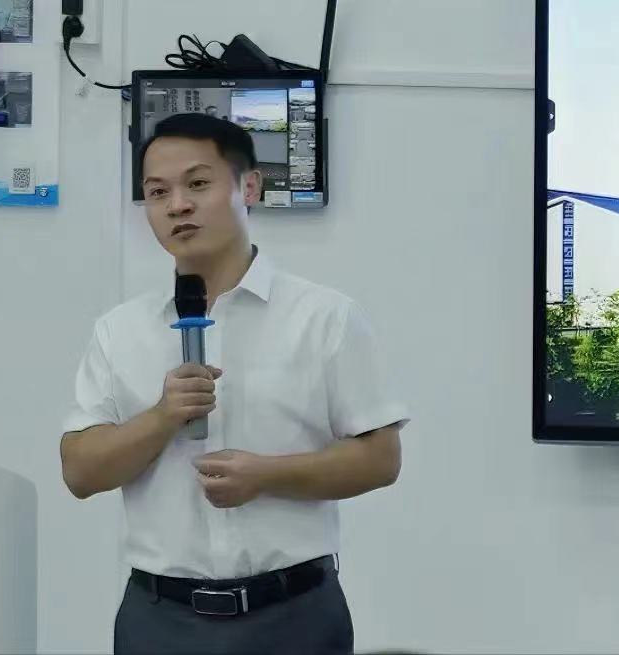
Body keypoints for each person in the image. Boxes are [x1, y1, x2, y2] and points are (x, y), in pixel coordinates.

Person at [60, 113, 409, 655]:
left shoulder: (324, 317)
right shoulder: (119, 331)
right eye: (158, 192)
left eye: (198, 184)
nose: (177, 205)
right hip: (160, 621)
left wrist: (267, 476)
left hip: (295, 616)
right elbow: (80, 472)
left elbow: (380, 459)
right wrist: (162, 417)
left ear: (249, 187)